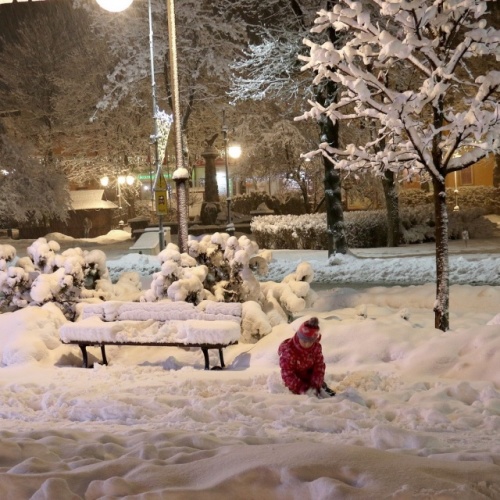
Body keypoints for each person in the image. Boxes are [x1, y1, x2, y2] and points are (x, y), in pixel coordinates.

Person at [278, 317, 335, 398]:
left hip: (308, 375)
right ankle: (305, 389)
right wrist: (301, 388)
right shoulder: (289, 351)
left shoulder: (316, 347)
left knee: (318, 386)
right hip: (295, 378)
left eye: (310, 341)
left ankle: (321, 389)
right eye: (304, 341)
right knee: (305, 391)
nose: (307, 344)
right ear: (299, 336)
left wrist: (317, 381)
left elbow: (319, 365)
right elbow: (287, 373)